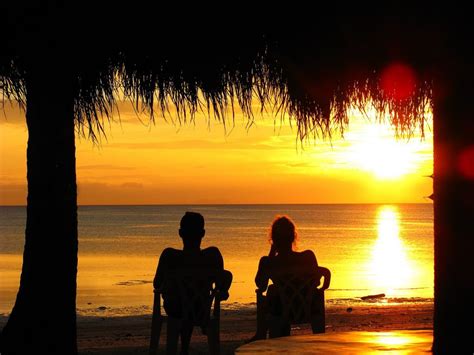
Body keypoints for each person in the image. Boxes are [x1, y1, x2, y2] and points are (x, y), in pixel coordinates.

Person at [153, 212, 232, 351]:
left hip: (175, 310)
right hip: (201, 310)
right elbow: (223, 282)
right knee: (189, 300)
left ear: (180, 233)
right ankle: (184, 348)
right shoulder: (212, 256)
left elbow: (157, 284)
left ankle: (182, 348)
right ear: (203, 233)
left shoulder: (169, 256)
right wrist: (222, 291)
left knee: (180, 301)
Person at [251, 215, 330, 340]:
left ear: (273, 239)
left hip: (280, 311)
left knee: (272, 292)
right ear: (293, 237)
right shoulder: (308, 257)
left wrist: (271, 254)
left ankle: (261, 334)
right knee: (276, 291)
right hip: (308, 309)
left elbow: (260, 285)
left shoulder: (268, 262)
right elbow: (317, 282)